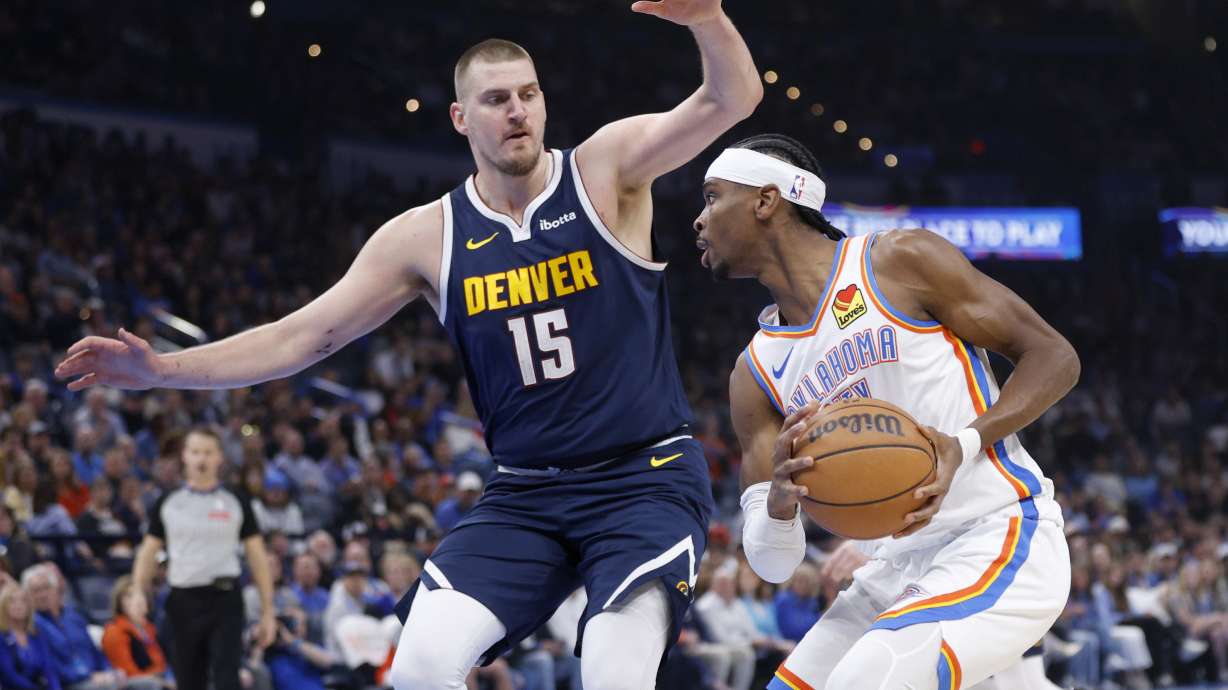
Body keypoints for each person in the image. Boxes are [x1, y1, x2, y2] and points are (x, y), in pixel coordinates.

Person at [54, 0, 763, 686]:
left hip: (642, 477)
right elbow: (302, 336)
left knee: (612, 671)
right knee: (420, 666)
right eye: (496, 100)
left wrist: (708, 20)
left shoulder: (604, 169)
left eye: (528, 94)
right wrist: (161, 370)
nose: (517, 111)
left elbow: (730, 99)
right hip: (526, 492)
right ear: (460, 117)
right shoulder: (427, 235)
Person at [698, 133, 1078, 689]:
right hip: (892, 572)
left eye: (712, 197)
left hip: (996, 533)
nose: (699, 220)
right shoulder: (754, 372)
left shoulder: (897, 261)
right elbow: (774, 565)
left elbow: (1055, 357)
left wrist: (964, 443)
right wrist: (778, 504)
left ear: (766, 200)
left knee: (865, 680)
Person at [129, 428, 276, 690]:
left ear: (220, 457)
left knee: (227, 680)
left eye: (208, 452)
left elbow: (258, 557)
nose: (202, 459)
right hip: (183, 600)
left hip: (225, 599)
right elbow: (147, 552)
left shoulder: (236, 501)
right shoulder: (169, 502)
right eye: (196, 452)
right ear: (185, 456)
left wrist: (267, 611)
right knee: (188, 681)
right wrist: (138, 591)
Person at [24, 563, 120, 690]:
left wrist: (108, 671)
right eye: (36, 590)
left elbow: (95, 651)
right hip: (68, 683)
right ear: (27, 595)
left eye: (46, 588)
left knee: (127, 681)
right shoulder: (31, 624)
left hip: (96, 678)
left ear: (56, 589)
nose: (42, 594)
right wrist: (88, 676)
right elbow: (50, 667)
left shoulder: (73, 616)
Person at [100, 576, 169, 687]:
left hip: (158, 678)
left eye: (141, 594)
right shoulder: (114, 632)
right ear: (120, 603)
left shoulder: (150, 628)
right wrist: (161, 682)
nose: (138, 600)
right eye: (129, 596)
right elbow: (127, 673)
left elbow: (161, 663)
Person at [0, 582, 61, 690]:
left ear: (29, 606)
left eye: (23, 601)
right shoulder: (2, 637)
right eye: (12, 601)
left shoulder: (36, 633)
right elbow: (9, 675)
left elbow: (49, 668)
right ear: (3, 606)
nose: (18, 605)